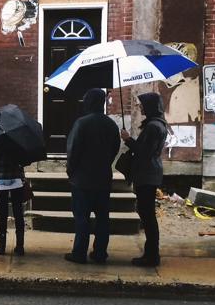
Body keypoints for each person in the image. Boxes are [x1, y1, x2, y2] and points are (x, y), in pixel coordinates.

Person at [65, 88, 121, 264]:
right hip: (103, 178)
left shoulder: (81, 123)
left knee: (82, 217)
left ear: (89, 102)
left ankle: (79, 252)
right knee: (103, 217)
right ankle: (100, 252)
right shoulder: (111, 125)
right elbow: (115, 149)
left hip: (82, 179)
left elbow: (73, 150)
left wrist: (70, 170)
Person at [121, 93, 168, 267]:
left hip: (147, 174)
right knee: (147, 214)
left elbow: (143, 151)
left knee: (147, 215)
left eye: (142, 104)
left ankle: (152, 255)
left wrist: (128, 139)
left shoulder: (153, 127)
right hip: (150, 173)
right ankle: (151, 253)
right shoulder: (157, 124)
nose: (140, 107)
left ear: (150, 106)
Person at [0, 138, 26, 256]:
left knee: (2, 212)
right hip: (16, 179)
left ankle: (2, 246)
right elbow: (24, 161)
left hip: (1, 180)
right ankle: (20, 246)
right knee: (18, 212)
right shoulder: (18, 141)